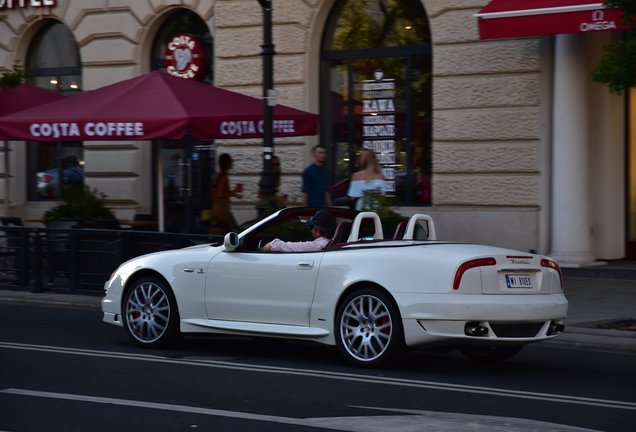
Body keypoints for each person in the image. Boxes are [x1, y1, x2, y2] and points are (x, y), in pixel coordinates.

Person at [262, 209, 336, 252]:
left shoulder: (317, 245)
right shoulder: (329, 243)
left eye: (312, 228)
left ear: (318, 231)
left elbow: (275, 245)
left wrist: (263, 248)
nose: (311, 231)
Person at [210, 153, 243, 235]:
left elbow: (221, 193)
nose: (232, 162)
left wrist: (233, 194)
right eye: (231, 161)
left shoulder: (221, 175)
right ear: (226, 163)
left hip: (220, 212)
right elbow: (219, 194)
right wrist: (234, 191)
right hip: (221, 212)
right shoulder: (223, 176)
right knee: (236, 232)